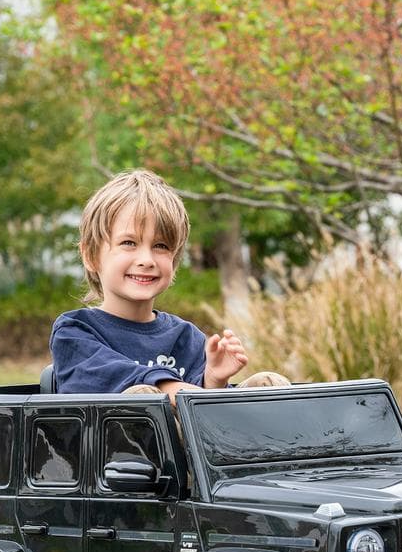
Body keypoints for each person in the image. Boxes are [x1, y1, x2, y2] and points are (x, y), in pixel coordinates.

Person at [50, 169, 288, 402]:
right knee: (141, 399)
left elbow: (206, 419)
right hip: (116, 440)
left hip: (190, 443)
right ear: (91, 255)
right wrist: (169, 388)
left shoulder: (187, 338)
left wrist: (213, 380)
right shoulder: (75, 332)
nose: (147, 260)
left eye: (161, 246)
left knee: (268, 384)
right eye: (129, 242)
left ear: (174, 260)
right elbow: (104, 379)